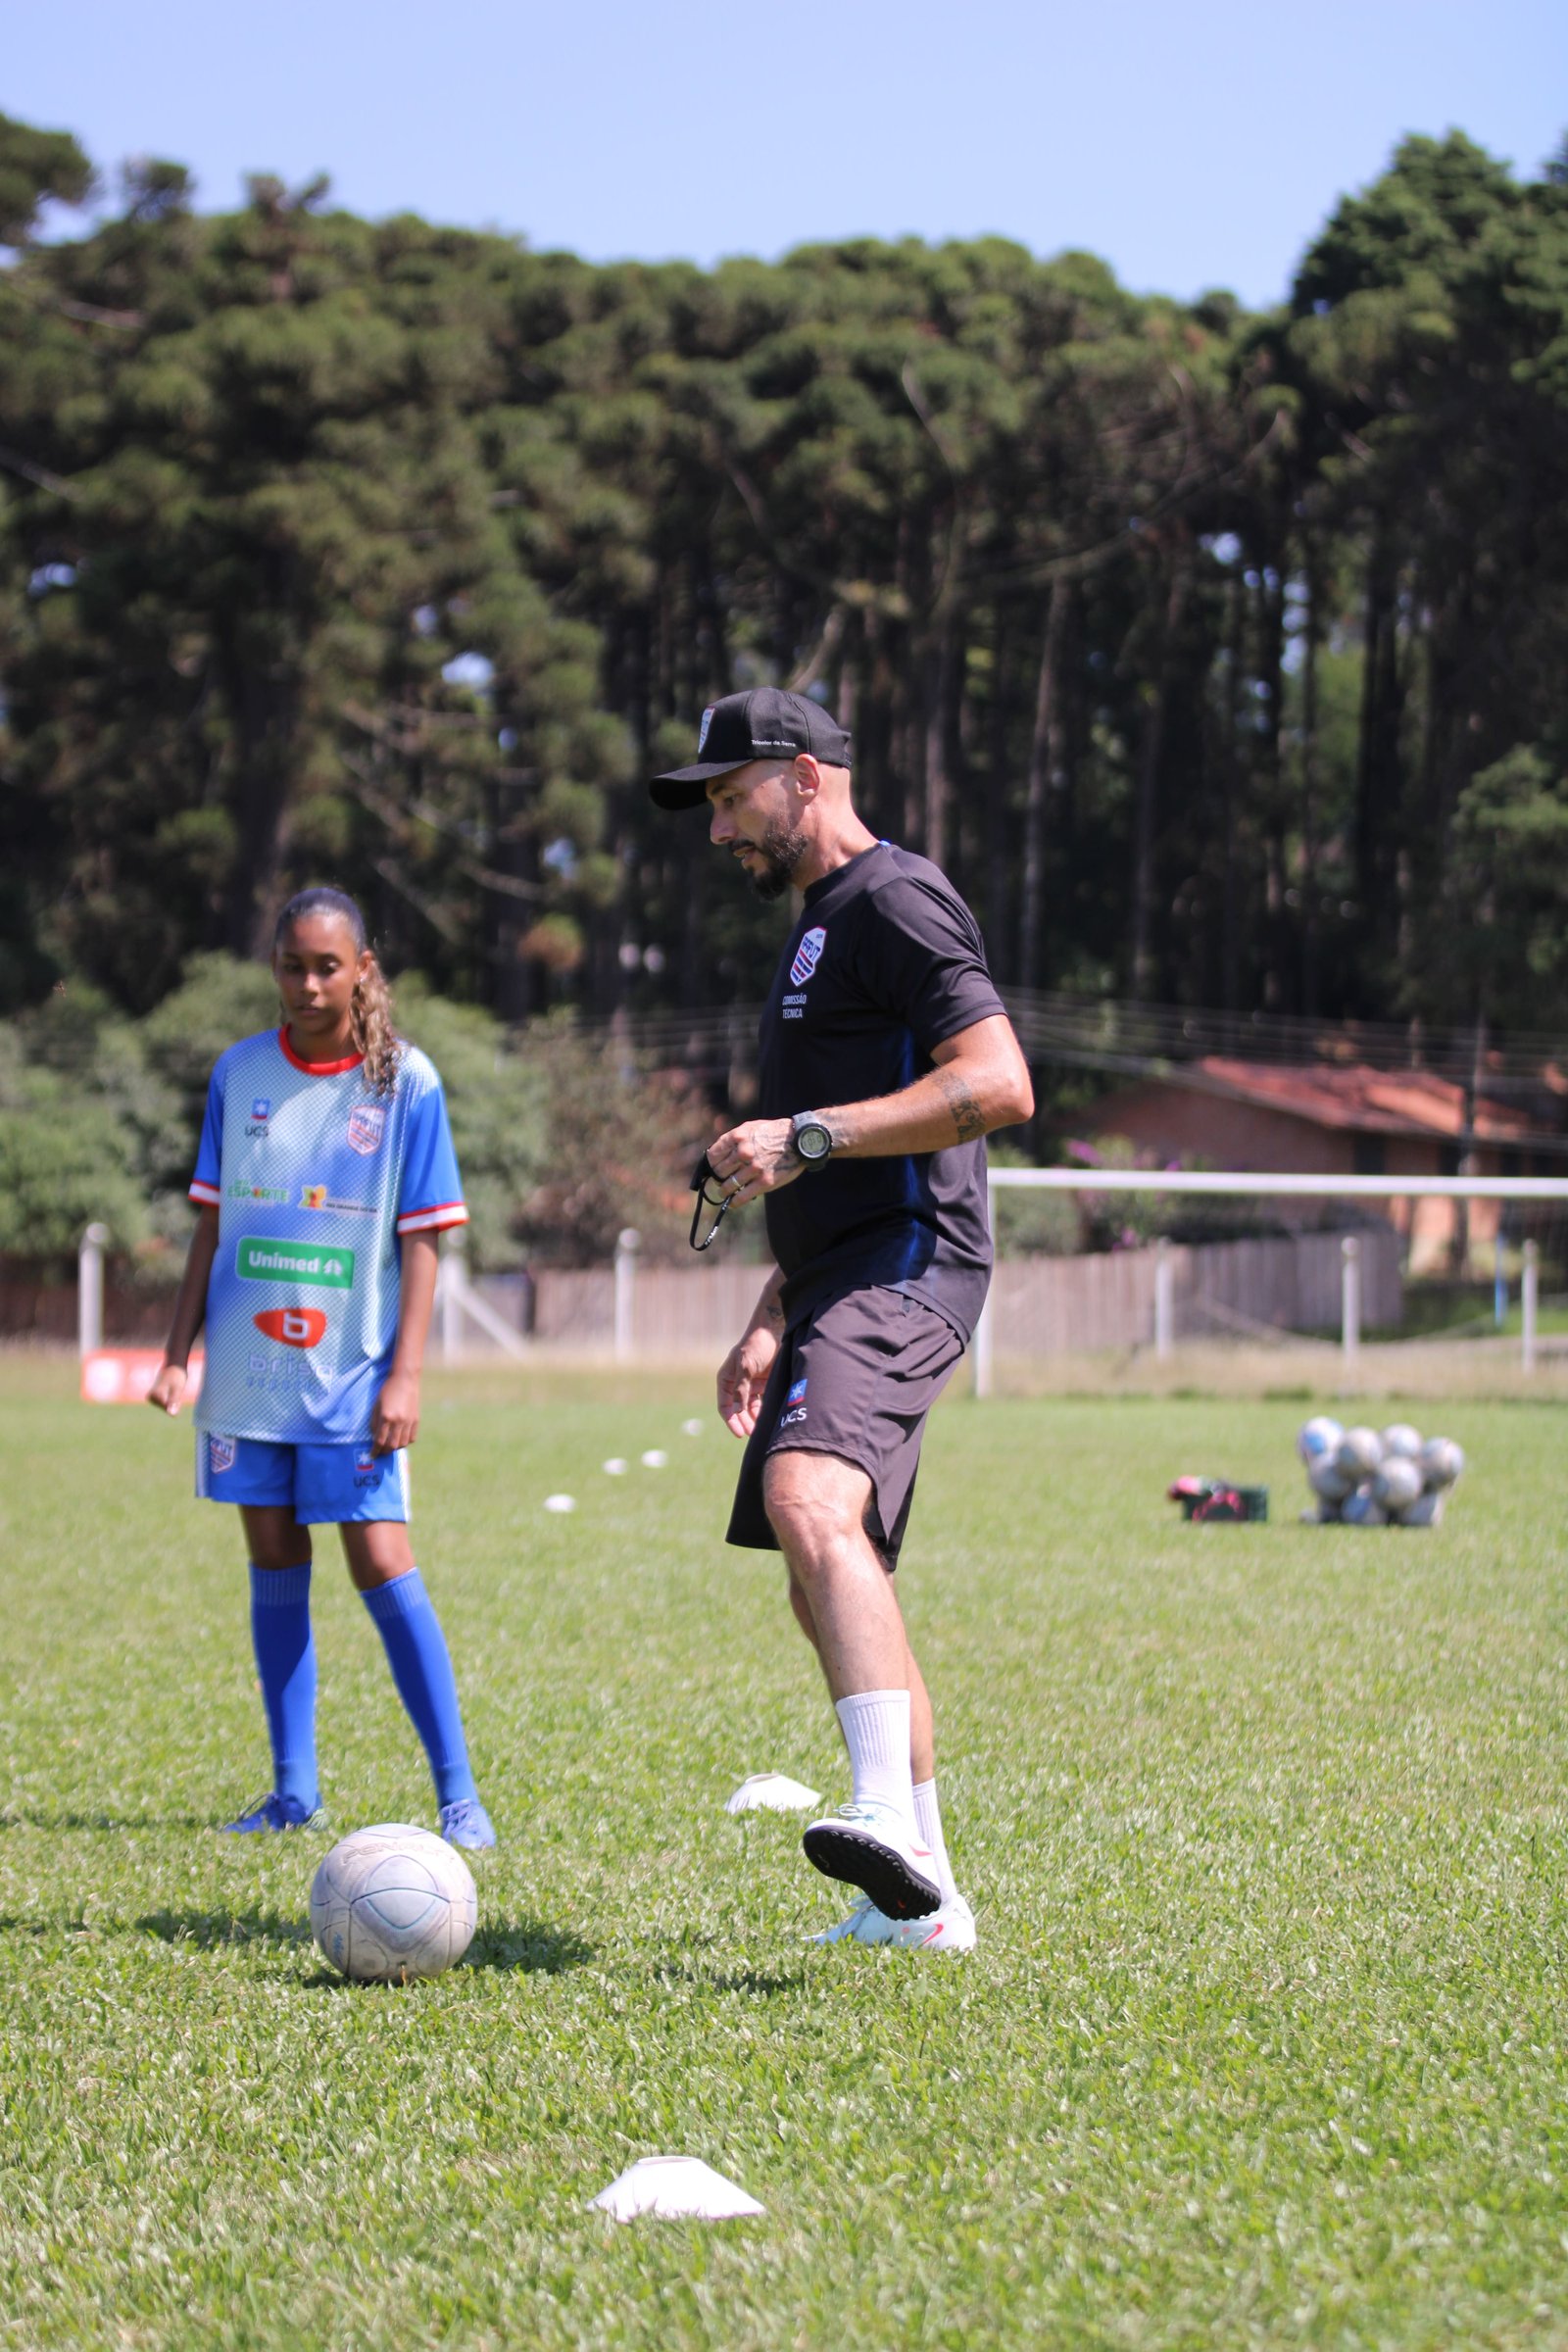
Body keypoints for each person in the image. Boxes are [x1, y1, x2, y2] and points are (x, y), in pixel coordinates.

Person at [652, 688, 1033, 1952]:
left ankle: (879, 1816)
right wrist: (773, 1306)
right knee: (828, 1581)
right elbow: (833, 1166)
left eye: (725, 798)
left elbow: (996, 1083)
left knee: (810, 1501)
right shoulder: (820, 925)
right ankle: (925, 1901)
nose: (714, 833)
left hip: (914, 1261)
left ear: (803, 776)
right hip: (837, 1275)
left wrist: (804, 1133)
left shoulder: (894, 898)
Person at [148, 886, 495, 1850]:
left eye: (327, 965)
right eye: (293, 964)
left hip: (352, 1374)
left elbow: (424, 1241)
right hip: (248, 1374)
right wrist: (178, 1356)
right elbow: (210, 1225)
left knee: (381, 1557)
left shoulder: (406, 1084)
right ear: (275, 968)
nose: (308, 983)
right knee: (272, 1558)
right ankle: (293, 1790)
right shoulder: (238, 1073)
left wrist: (407, 1376)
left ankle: (459, 1795)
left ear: (362, 970)